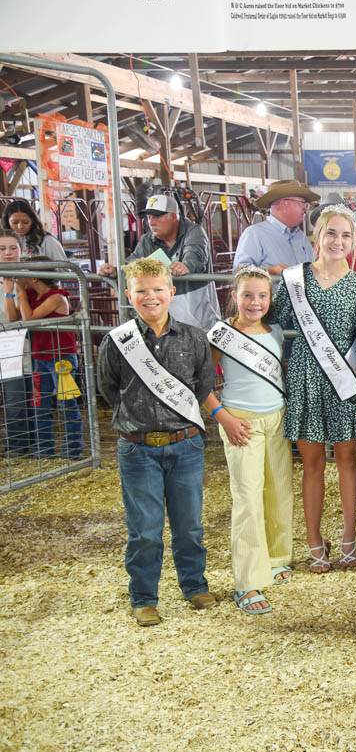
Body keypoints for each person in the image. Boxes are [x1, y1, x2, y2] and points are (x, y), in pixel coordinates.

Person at [97, 258, 217, 627]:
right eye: (142, 291)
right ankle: (144, 597)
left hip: (186, 444)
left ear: (172, 292)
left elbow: (203, 386)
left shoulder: (194, 338)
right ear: (128, 295)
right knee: (145, 530)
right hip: (137, 446)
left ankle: (194, 585)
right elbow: (108, 390)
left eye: (158, 290)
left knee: (189, 525)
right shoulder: (117, 341)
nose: (151, 297)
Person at [268, 205, 356, 573]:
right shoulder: (294, 279)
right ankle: (314, 541)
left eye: (346, 235)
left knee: (348, 459)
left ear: (354, 241)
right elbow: (271, 316)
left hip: (346, 382)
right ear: (317, 236)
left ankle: (349, 539)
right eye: (331, 233)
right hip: (304, 378)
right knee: (312, 463)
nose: (338, 241)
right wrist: (254, 284)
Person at [203, 265, 294, 615]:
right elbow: (201, 383)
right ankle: (247, 580)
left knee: (278, 489)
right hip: (241, 422)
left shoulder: (275, 332)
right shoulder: (221, 334)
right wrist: (222, 417)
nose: (255, 303)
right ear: (234, 296)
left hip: (276, 418)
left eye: (262, 296)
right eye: (247, 296)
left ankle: (276, 557)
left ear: (270, 299)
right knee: (247, 497)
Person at [99, 194, 220, 330]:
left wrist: (187, 265)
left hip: (197, 314)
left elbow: (196, 253)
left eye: (157, 217)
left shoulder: (194, 232)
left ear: (173, 216)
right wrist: (115, 272)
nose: (151, 223)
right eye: (149, 217)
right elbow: (133, 264)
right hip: (163, 317)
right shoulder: (147, 241)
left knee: (200, 337)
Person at [16, 256, 83, 459]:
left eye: (23, 274)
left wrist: (20, 293)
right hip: (40, 356)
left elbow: (28, 319)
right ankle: (44, 451)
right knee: (40, 404)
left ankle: (73, 452)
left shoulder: (56, 297)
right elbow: (12, 317)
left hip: (61, 357)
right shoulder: (32, 296)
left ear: (34, 278)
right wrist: (13, 292)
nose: (19, 278)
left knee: (66, 404)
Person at [232, 180, 320, 274]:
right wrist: (268, 271)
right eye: (301, 203)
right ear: (284, 204)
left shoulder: (300, 236)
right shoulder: (254, 234)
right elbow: (239, 272)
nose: (305, 209)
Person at [0, 229, 34, 456]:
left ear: (21, 250)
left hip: (19, 344)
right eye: (2, 249)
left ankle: (20, 446)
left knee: (19, 397)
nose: (8, 253)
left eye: (13, 248)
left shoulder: (29, 277)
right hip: (7, 342)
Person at [3, 199, 68, 260]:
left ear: (32, 221)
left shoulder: (47, 241)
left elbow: (63, 267)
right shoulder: (3, 241)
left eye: (25, 222)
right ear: (7, 222)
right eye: (14, 222)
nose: (20, 226)